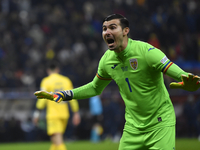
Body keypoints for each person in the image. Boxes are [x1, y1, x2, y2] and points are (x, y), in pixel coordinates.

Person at [34, 14, 200, 150]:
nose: (107, 32)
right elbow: (95, 88)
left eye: (112, 27)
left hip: (160, 123)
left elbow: (175, 71)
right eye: (104, 28)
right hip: (133, 127)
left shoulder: (146, 52)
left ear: (126, 31)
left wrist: (186, 79)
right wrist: (64, 95)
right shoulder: (106, 61)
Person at [33, 61, 81, 150]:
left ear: (48, 70)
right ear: (57, 70)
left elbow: (42, 99)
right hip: (64, 115)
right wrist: (76, 112)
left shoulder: (46, 81)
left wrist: (36, 114)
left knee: (58, 142)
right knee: (55, 142)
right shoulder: (66, 80)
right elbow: (72, 97)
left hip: (53, 115)